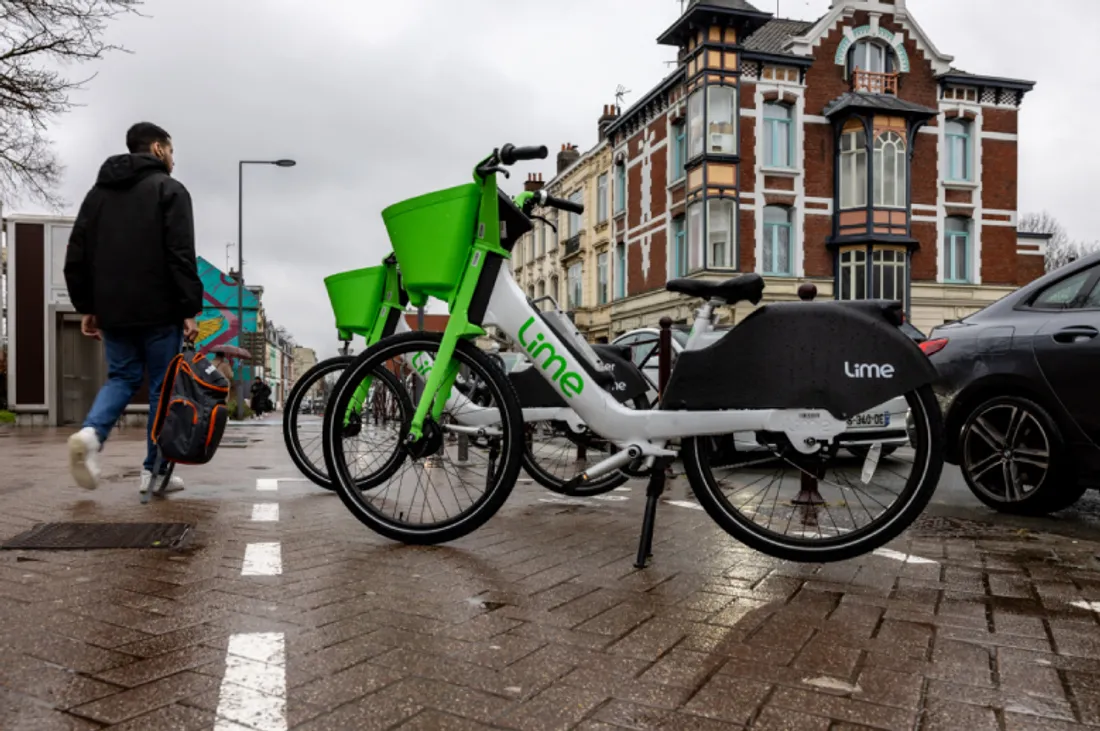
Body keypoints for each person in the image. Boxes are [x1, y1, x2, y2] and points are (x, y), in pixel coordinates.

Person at [63, 122, 202, 494]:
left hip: (113, 310)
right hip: (160, 309)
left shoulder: (97, 195)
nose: (173, 159)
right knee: (162, 388)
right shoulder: (170, 190)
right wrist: (189, 307)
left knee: (121, 378)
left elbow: (77, 254)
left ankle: (91, 435)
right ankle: (154, 472)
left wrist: (87, 306)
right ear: (157, 148)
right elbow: (180, 254)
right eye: (171, 151)